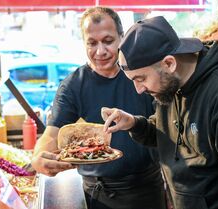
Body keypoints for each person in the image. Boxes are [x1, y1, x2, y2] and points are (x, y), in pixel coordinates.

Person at [101, 16, 218, 209]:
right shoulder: (170, 84)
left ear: (169, 63)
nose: (139, 89)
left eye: (141, 78)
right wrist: (134, 123)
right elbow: (169, 134)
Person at [31, 7, 167, 209]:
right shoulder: (73, 85)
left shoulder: (141, 74)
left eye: (108, 41)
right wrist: (38, 157)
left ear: (121, 38)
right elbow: (52, 133)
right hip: (97, 194)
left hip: (146, 190)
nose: (100, 51)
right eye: (92, 43)